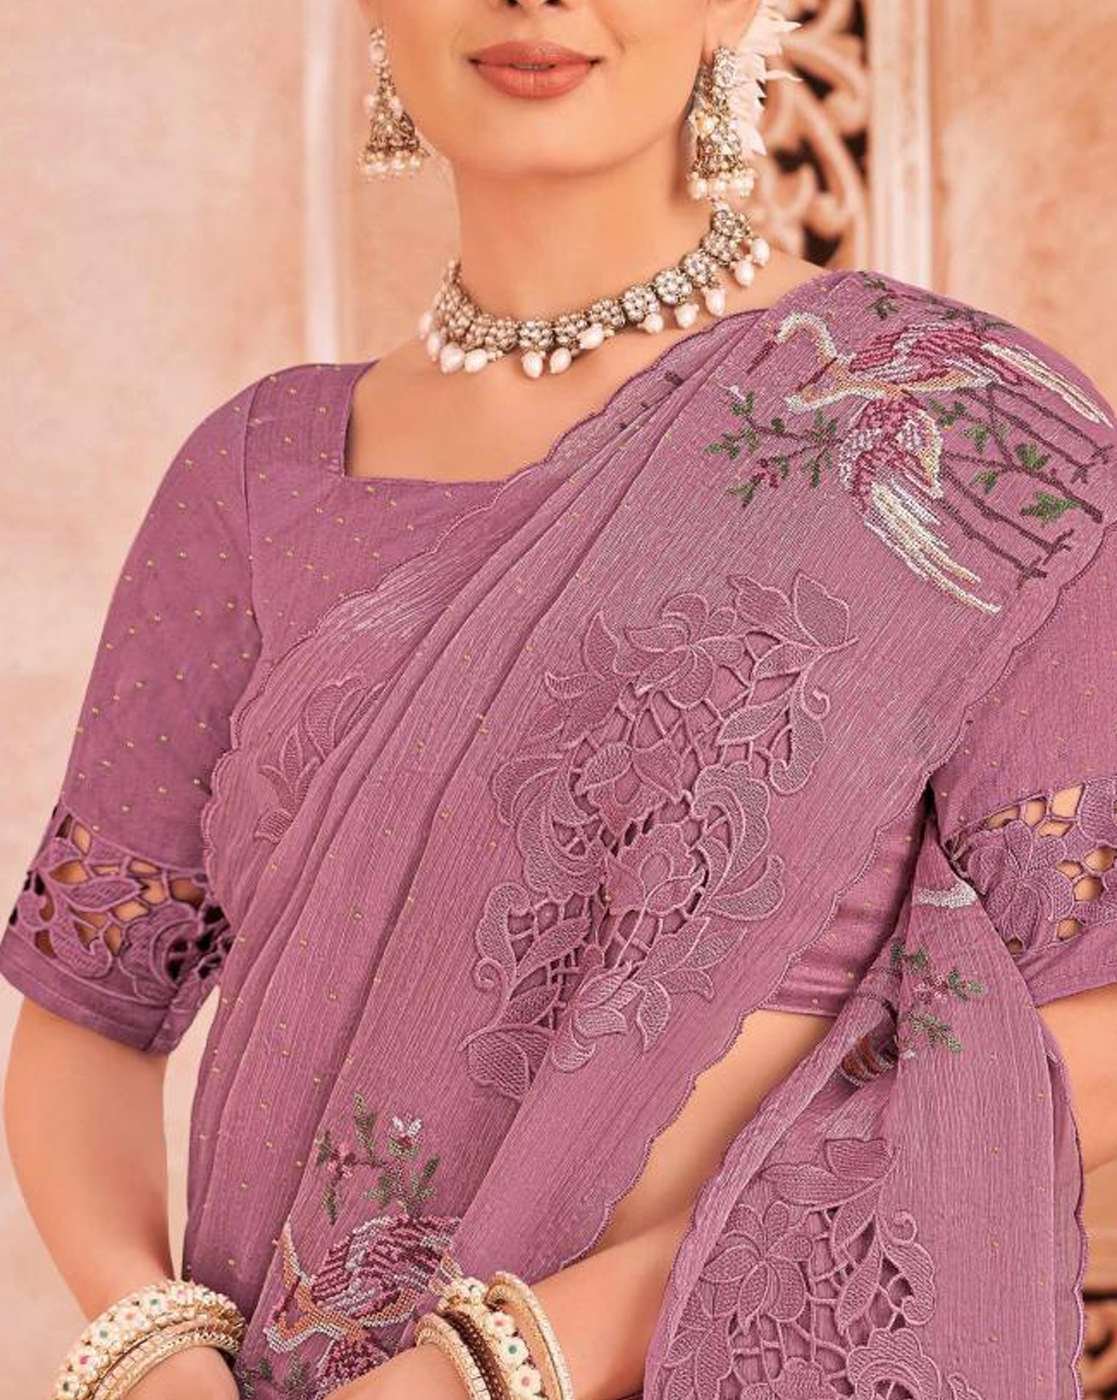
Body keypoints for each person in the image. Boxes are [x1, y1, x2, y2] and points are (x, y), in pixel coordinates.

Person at [4, 2, 1117, 1398]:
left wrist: (509, 1363)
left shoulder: (963, 434)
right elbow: (87, 1017)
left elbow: (1090, 1027)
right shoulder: (255, 472)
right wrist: (153, 1345)